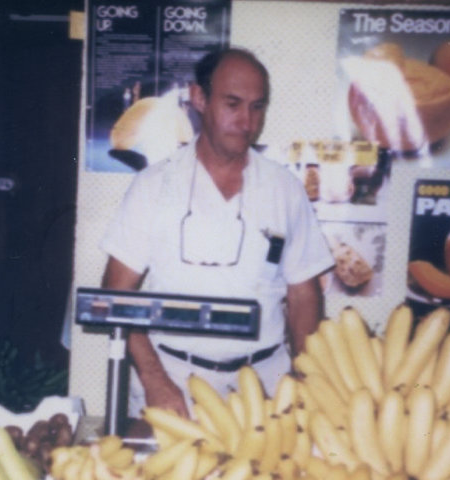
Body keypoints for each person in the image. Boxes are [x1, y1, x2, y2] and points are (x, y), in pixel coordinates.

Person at [99, 47, 335, 420]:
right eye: (233, 104)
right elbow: (115, 293)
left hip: (264, 385)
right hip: (174, 381)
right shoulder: (153, 186)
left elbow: (304, 294)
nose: (247, 121)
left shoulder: (284, 189)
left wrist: (305, 376)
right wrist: (154, 379)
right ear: (199, 98)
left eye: (257, 107)